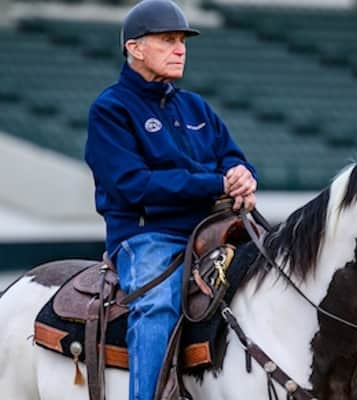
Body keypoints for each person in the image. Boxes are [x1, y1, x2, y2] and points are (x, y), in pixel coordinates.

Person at [84, 1, 257, 399]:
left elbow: (232, 155)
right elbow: (133, 185)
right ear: (135, 48)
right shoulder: (110, 109)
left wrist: (242, 175)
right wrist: (216, 183)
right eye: (167, 40)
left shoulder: (196, 106)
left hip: (215, 230)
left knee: (286, 270)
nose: (179, 49)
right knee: (157, 306)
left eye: (181, 41)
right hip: (147, 236)